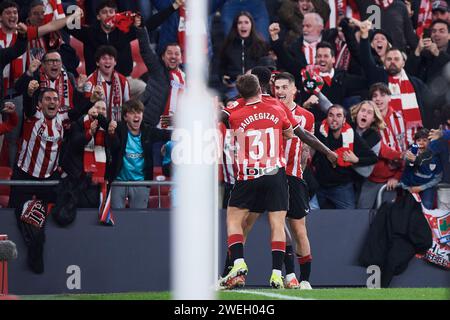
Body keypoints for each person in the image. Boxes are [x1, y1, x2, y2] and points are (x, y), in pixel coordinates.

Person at [219, 74, 294, 289]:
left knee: (233, 219)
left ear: (241, 95)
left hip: (249, 175)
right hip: (274, 173)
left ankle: (239, 262)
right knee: (277, 224)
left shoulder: (235, 114)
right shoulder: (277, 108)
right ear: (260, 89)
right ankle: (277, 274)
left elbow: (227, 125)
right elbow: (289, 134)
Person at [359, 19, 430, 146]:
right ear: (384, 63)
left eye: (396, 59)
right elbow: (366, 61)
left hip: (415, 137)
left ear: (403, 63)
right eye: (389, 59)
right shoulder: (379, 77)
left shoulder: (416, 83)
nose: (392, 61)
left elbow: (433, 101)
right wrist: (364, 37)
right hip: (385, 136)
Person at [108, 99, 172, 209]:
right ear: (125, 117)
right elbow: (106, 129)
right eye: (132, 113)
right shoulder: (118, 129)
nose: (136, 115)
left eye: (139, 112)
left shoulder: (148, 131)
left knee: (139, 219)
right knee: (116, 219)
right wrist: (110, 132)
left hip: (141, 183)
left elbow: (167, 134)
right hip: (118, 182)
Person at [313, 104, 378, 209]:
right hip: (319, 185)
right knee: (311, 217)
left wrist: (356, 160)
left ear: (344, 120)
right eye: (331, 115)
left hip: (341, 187)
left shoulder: (351, 135)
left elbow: (373, 158)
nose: (334, 119)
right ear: (326, 118)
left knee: (350, 218)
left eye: (338, 116)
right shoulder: (318, 129)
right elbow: (302, 129)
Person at [66, 0, 140, 77]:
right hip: (96, 81)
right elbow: (68, 26)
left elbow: (149, 26)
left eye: (111, 12)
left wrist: (140, 23)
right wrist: (73, 11)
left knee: (141, 87)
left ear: (116, 14)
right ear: (98, 16)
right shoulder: (89, 33)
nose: (108, 15)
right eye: (104, 12)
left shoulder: (125, 31)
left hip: (124, 79)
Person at [135, 25, 185, 128]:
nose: (173, 56)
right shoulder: (157, 70)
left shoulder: (186, 78)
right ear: (163, 57)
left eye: (177, 54)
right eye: (169, 53)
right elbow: (146, 49)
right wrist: (141, 29)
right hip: (153, 126)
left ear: (181, 58)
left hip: (176, 128)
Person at [219, 11, 270, 98]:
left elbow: (266, 67)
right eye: (240, 23)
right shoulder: (227, 46)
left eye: (246, 22)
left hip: (255, 86)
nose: (243, 25)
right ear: (236, 26)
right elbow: (221, 69)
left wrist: (252, 71)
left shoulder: (261, 45)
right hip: (234, 86)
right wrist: (224, 78)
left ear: (251, 25)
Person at [84, 45, 130, 122]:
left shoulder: (123, 80)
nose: (107, 61)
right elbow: (86, 106)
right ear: (97, 63)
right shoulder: (90, 81)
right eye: (104, 58)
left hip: (117, 124)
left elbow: (127, 105)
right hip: (96, 123)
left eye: (110, 58)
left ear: (115, 62)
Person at [399, 128, 443, 209]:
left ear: (430, 142)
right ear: (415, 142)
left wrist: (421, 188)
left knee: (427, 205)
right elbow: (406, 173)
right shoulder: (410, 153)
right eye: (419, 140)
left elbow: (438, 177)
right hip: (410, 187)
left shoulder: (435, 157)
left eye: (425, 140)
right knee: (408, 208)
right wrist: (407, 188)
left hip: (427, 186)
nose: (421, 143)